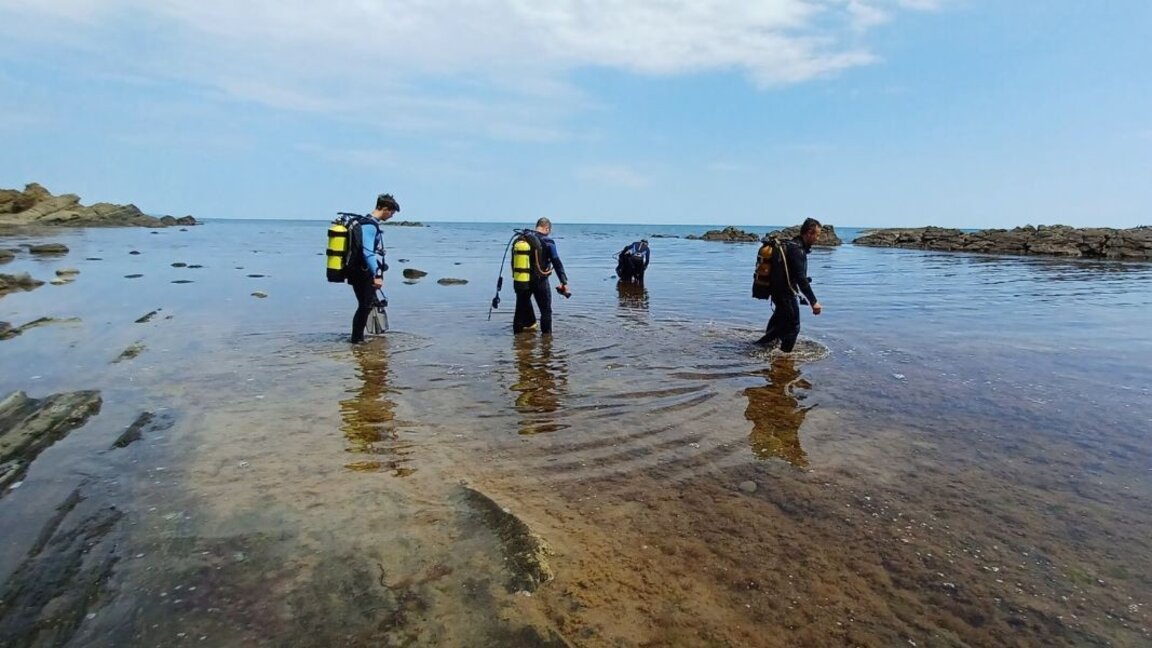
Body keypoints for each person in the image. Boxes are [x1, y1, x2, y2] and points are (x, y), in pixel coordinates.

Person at [756, 217, 823, 352]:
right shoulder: (797, 250)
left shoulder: (792, 246)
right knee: (793, 326)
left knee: (779, 323)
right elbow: (801, 279)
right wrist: (813, 302)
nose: (818, 238)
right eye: (817, 235)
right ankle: (784, 356)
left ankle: (761, 348)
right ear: (809, 233)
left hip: (777, 291)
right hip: (785, 294)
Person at [349, 193, 399, 343]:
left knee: (367, 304)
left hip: (357, 269)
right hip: (363, 271)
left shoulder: (364, 221)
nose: (391, 216)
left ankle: (358, 340)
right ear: (385, 208)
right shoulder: (370, 226)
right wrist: (377, 274)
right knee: (365, 306)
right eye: (391, 213)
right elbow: (367, 252)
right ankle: (357, 341)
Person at [512, 217, 570, 335]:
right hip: (540, 281)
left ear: (537, 226)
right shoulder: (548, 241)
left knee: (519, 311)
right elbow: (556, 262)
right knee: (545, 311)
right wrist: (563, 281)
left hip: (522, 280)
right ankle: (547, 340)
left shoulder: (522, 239)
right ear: (547, 228)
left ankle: (516, 341)